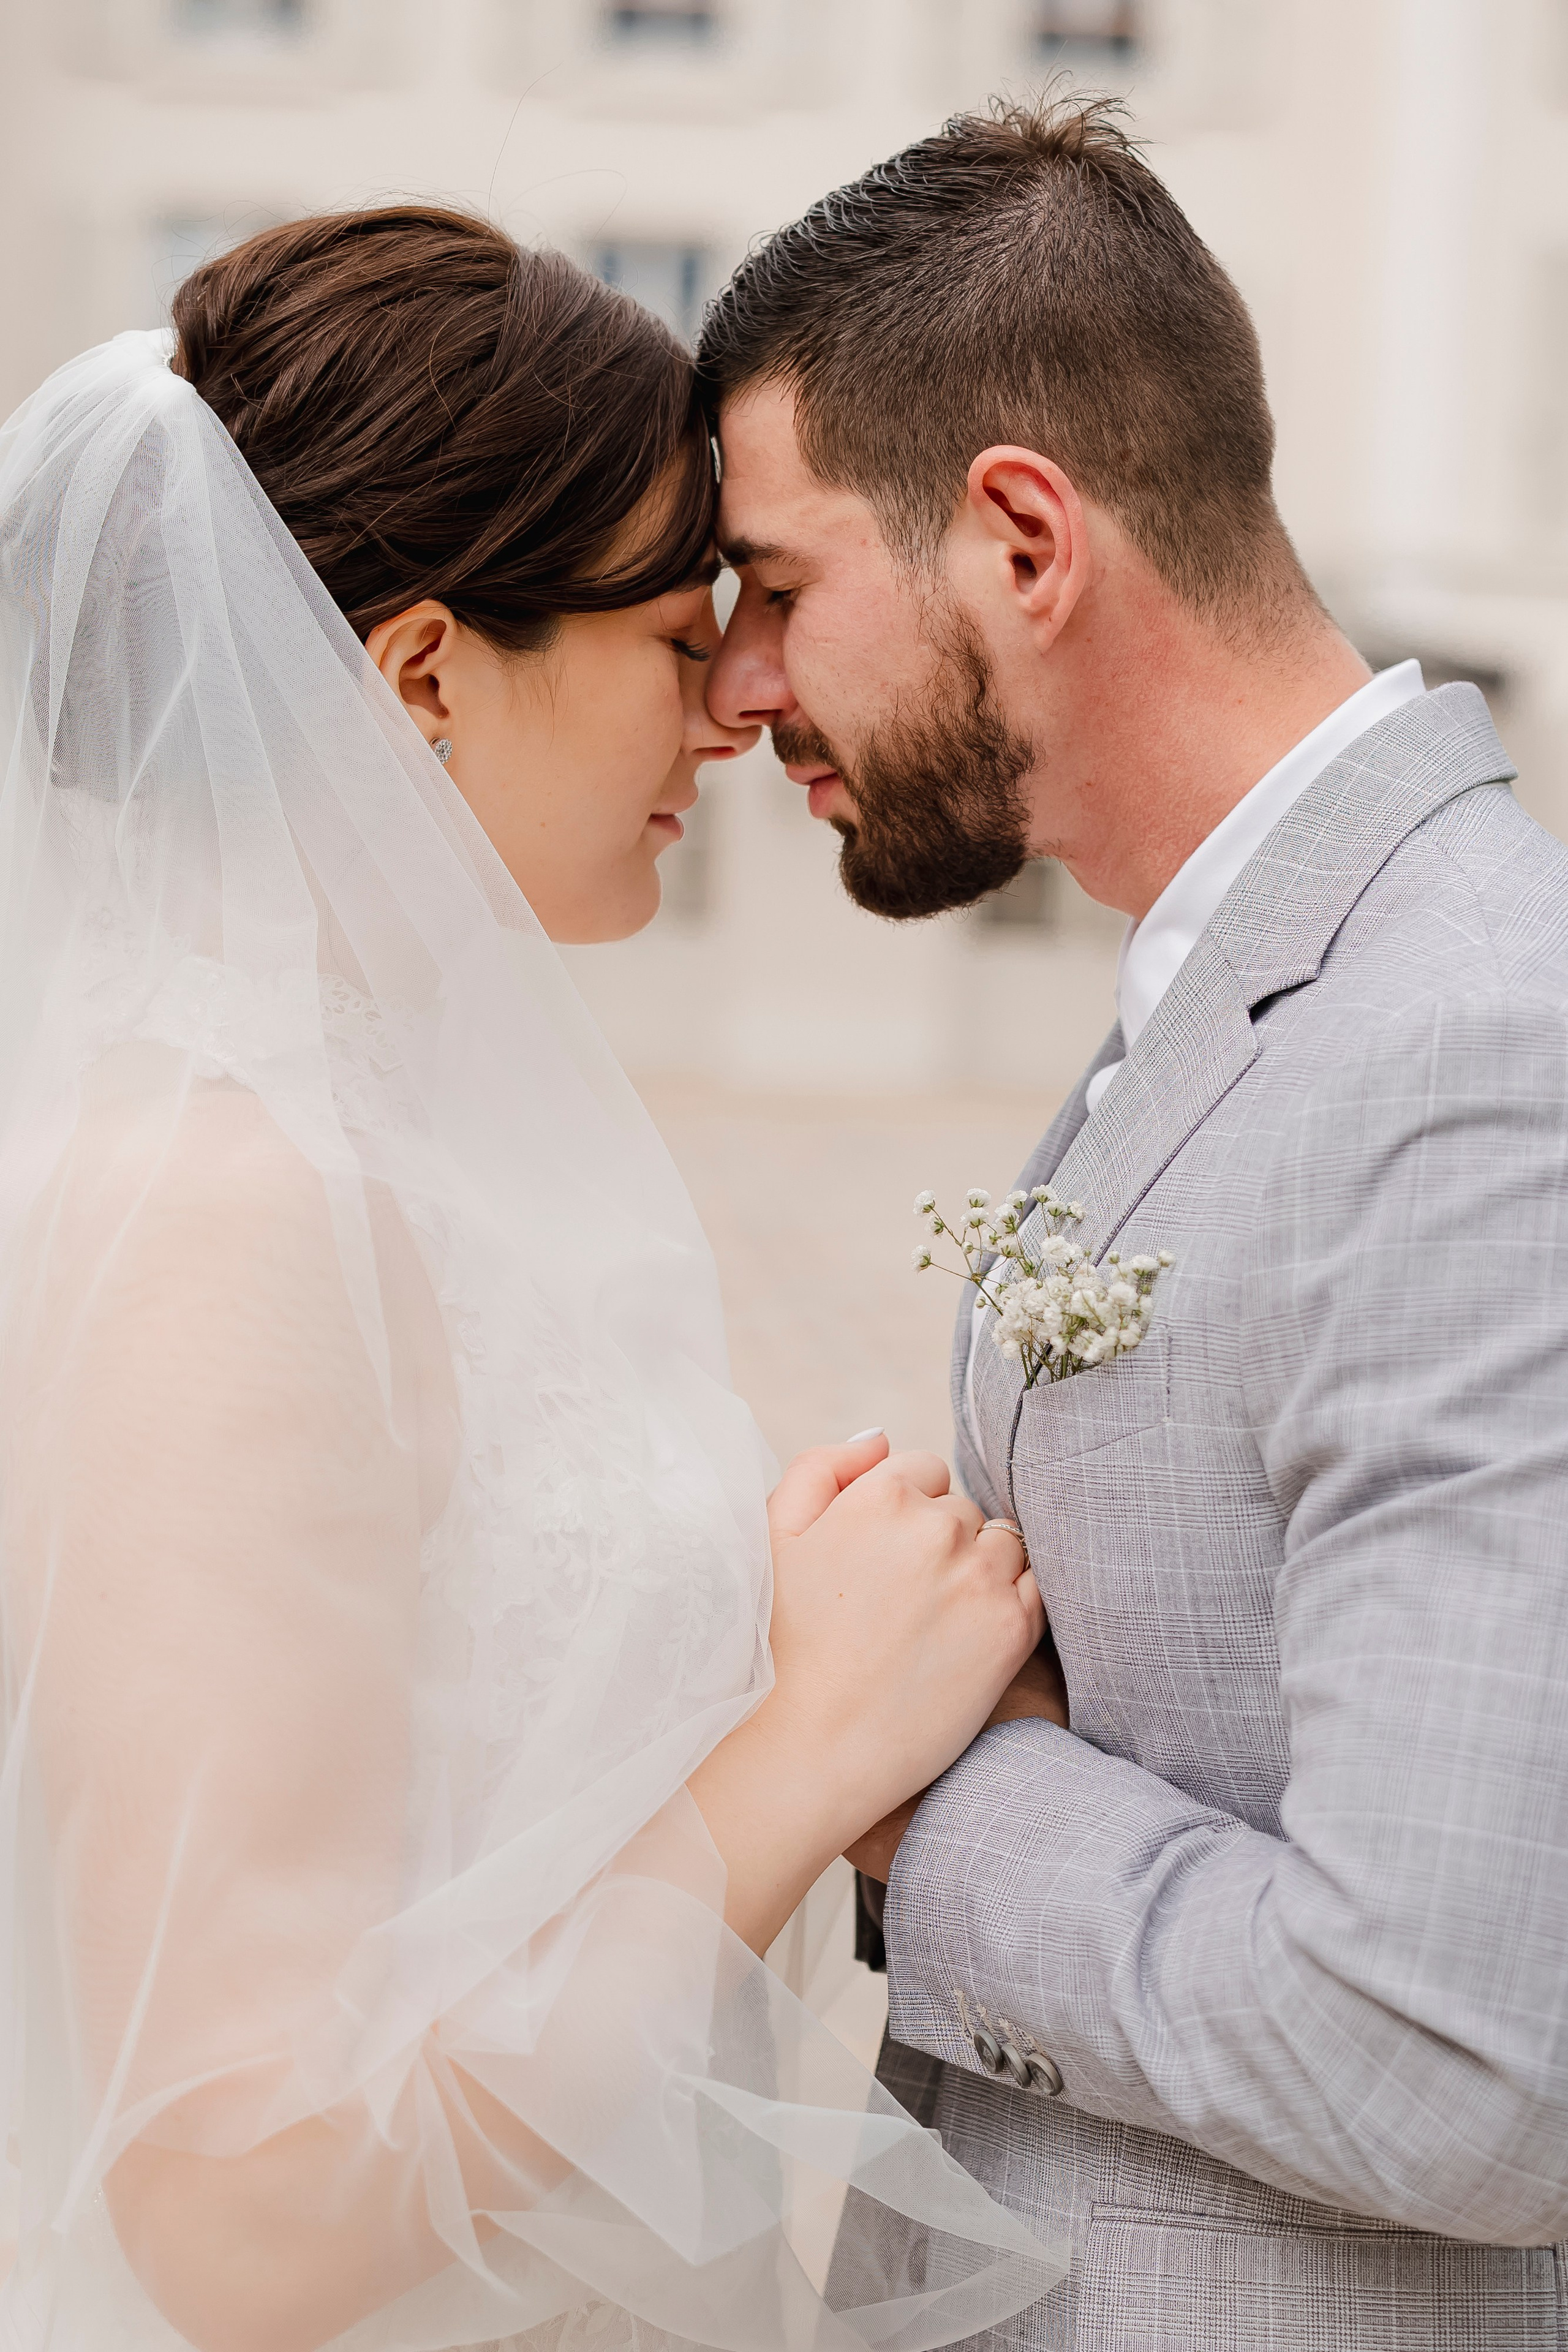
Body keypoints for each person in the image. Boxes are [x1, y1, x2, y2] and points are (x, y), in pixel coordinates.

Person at [0, 208, 1067, 2348]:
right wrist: (803, 1738)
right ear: (420, 677)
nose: (741, 711)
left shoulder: (393, 1131)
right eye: (685, 636)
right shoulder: (226, 1207)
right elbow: (250, 2212)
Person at [701, 93, 1568, 2352]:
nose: (738, 686)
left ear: (1020, 535)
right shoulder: (1259, 976)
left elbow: (1470, 2060)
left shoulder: (1484, 1053)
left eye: (779, 586)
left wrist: (926, 1782)